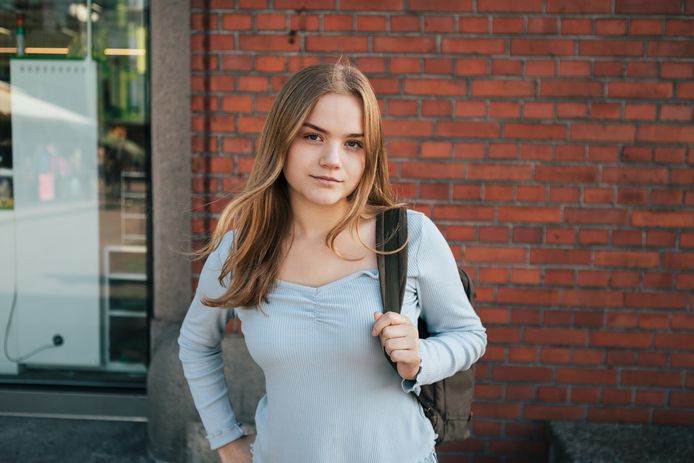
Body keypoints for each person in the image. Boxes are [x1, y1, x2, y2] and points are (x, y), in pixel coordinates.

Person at [178, 61, 487, 463]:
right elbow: (195, 344)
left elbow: (468, 335)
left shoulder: (409, 236)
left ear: (369, 155)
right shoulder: (242, 249)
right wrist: (225, 439)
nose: (332, 159)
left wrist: (421, 358)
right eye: (313, 136)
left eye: (353, 143)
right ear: (281, 140)